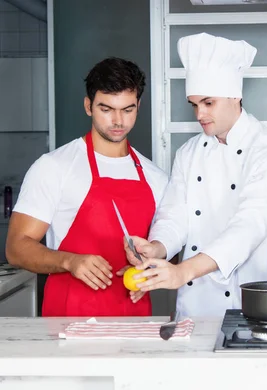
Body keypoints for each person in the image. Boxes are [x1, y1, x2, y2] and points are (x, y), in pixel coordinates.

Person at [124, 33, 267, 317]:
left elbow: (249, 226)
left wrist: (183, 271)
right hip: (198, 302)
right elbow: (175, 215)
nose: (199, 114)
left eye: (208, 103)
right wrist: (157, 248)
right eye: (194, 104)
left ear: (235, 96)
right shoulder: (189, 152)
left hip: (253, 300)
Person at [6, 57, 168, 316]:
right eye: (106, 109)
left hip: (135, 323)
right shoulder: (54, 167)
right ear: (88, 106)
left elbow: (166, 247)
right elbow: (16, 248)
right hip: (69, 322)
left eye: (127, 110)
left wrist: (149, 270)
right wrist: (69, 260)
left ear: (139, 106)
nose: (118, 121)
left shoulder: (155, 177)